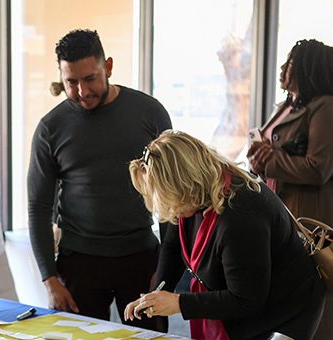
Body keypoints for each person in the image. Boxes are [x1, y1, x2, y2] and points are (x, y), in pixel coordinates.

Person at [28, 29, 172, 330]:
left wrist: (166, 270)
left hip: (141, 257)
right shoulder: (50, 128)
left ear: (107, 67)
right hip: (79, 263)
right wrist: (50, 280)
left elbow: (172, 196)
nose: (82, 91)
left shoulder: (150, 113)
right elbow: (38, 207)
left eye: (90, 78)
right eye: (72, 82)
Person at [125, 130, 325, 340]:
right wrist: (156, 294)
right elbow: (172, 247)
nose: (167, 209)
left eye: (166, 198)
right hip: (239, 305)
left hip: (285, 310)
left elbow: (246, 299)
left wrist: (178, 303)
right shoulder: (188, 197)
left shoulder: (241, 214)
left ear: (185, 183)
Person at [247, 38, 333, 340]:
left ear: (309, 68)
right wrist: (258, 161)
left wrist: (271, 162)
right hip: (276, 209)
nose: (283, 68)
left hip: (306, 218)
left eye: (292, 63)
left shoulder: (325, 107)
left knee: (310, 297)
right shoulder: (287, 104)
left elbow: (318, 168)